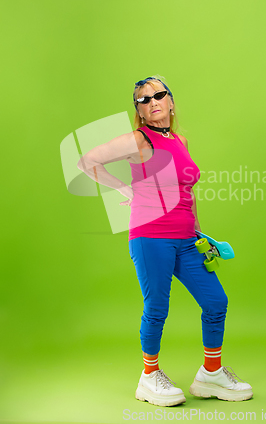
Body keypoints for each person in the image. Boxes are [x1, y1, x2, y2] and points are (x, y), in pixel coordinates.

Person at [77, 76, 253, 407]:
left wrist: (199, 231)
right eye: (144, 99)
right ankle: (149, 377)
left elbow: (187, 189)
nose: (153, 101)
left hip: (187, 240)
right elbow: (86, 161)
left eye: (159, 95)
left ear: (171, 102)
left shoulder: (180, 140)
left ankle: (210, 374)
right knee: (157, 308)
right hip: (151, 236)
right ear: (140, 112)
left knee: (216, 302)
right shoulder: (139, 140)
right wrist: (122, 189)